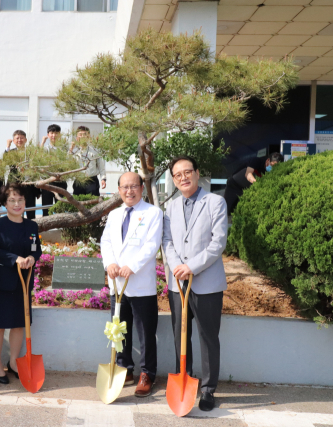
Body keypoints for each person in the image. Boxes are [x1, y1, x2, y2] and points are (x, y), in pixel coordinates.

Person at [162, 155, 228, 412]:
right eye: (177, 175)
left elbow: (218, 242)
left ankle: (209, 389)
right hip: (178, 283)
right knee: (182, 335)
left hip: (207, 283)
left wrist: (192, 266)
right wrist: (178, 266)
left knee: (208, 336)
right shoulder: (170, 207)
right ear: (174, 180)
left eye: (187, 172)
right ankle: (185, 379)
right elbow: (166, 241)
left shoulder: (215, 202)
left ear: (197, 174)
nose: (183, 177)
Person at [100, 171, 163, 397]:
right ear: (118, 190)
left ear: (142, 188)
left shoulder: (153, 213)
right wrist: (110, 263)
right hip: (117, 282)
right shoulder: (115, 214)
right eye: (125, 187)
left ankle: (147, 373)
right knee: (119, 329)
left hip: (140, 282)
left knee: (146, 331)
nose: (129, 191)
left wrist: (132, 266)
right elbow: (106, 241)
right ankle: (124, 367)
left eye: (134, 186)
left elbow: (152, 244)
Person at [0, 183, 42, 384]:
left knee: (20, 324)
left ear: (25, 202)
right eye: (12, 200)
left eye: (20, 200)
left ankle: (14, 362)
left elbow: (36, 249)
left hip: (24, 282)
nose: (17, 204)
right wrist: (15, 258)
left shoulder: (31, 226)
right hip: (3, 282)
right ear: (4, 204)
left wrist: (32, 258)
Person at [5, 130, 41, 220]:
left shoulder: (31, 153)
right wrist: (7, 146)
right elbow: (6, 162)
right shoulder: (11, 152)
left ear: (25, 140)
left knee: (31, 211)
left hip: (29, 186)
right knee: (16, 210)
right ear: (13, 141)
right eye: (17, 138)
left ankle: (31, 233)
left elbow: (36, 170)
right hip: (15, 186)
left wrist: (37, 190)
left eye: (21, 138)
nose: (19, 140)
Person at [39, 124, 68, 217]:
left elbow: (68, 162)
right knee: (46, 208)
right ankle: (45, 231)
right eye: (51, 133)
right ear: (48, 135)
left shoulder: (64, 149)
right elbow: (38, 159)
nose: (54, 135)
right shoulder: (45, 148)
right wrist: (42, 143)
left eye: (56, 133)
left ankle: (62, 230)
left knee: (61, 208)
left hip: (60, 181)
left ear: (59, 135)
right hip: (47, 182)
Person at [69, 126, 106, 196]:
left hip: (92, 181)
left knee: (93, 204)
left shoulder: (95, 150)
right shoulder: (74, 151)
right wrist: (71, 149)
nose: (82, 136)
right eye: (80, 134)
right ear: (77, 137)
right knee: (78, 203)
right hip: (79, 181)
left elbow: (101, 166)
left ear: (89, 136)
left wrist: (103, 179)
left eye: (85, 134)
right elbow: (67, 163)